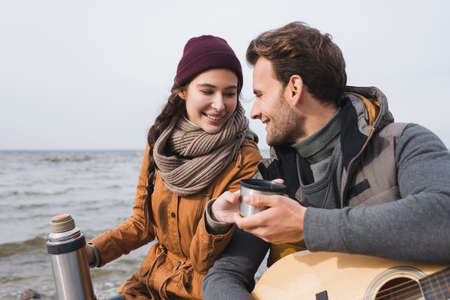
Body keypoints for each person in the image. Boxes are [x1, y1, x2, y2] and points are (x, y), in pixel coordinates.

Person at [202, 22, 450, 299]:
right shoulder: (271, 179)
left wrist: (306, 224)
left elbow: (443, 216)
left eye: (260, 95)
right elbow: (224, 276)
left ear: (294, 88)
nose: (254, 112)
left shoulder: (403, 143)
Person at [84, 35, 262, 300]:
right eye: (207, 90)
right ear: (182, 91)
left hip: (204, 292)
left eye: (230, 93)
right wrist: (91, 253)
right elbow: (142, 224)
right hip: (149, 285)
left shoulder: (245, 158)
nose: (220, 104)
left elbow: (208, 260)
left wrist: (214, 220)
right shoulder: (160, 143)